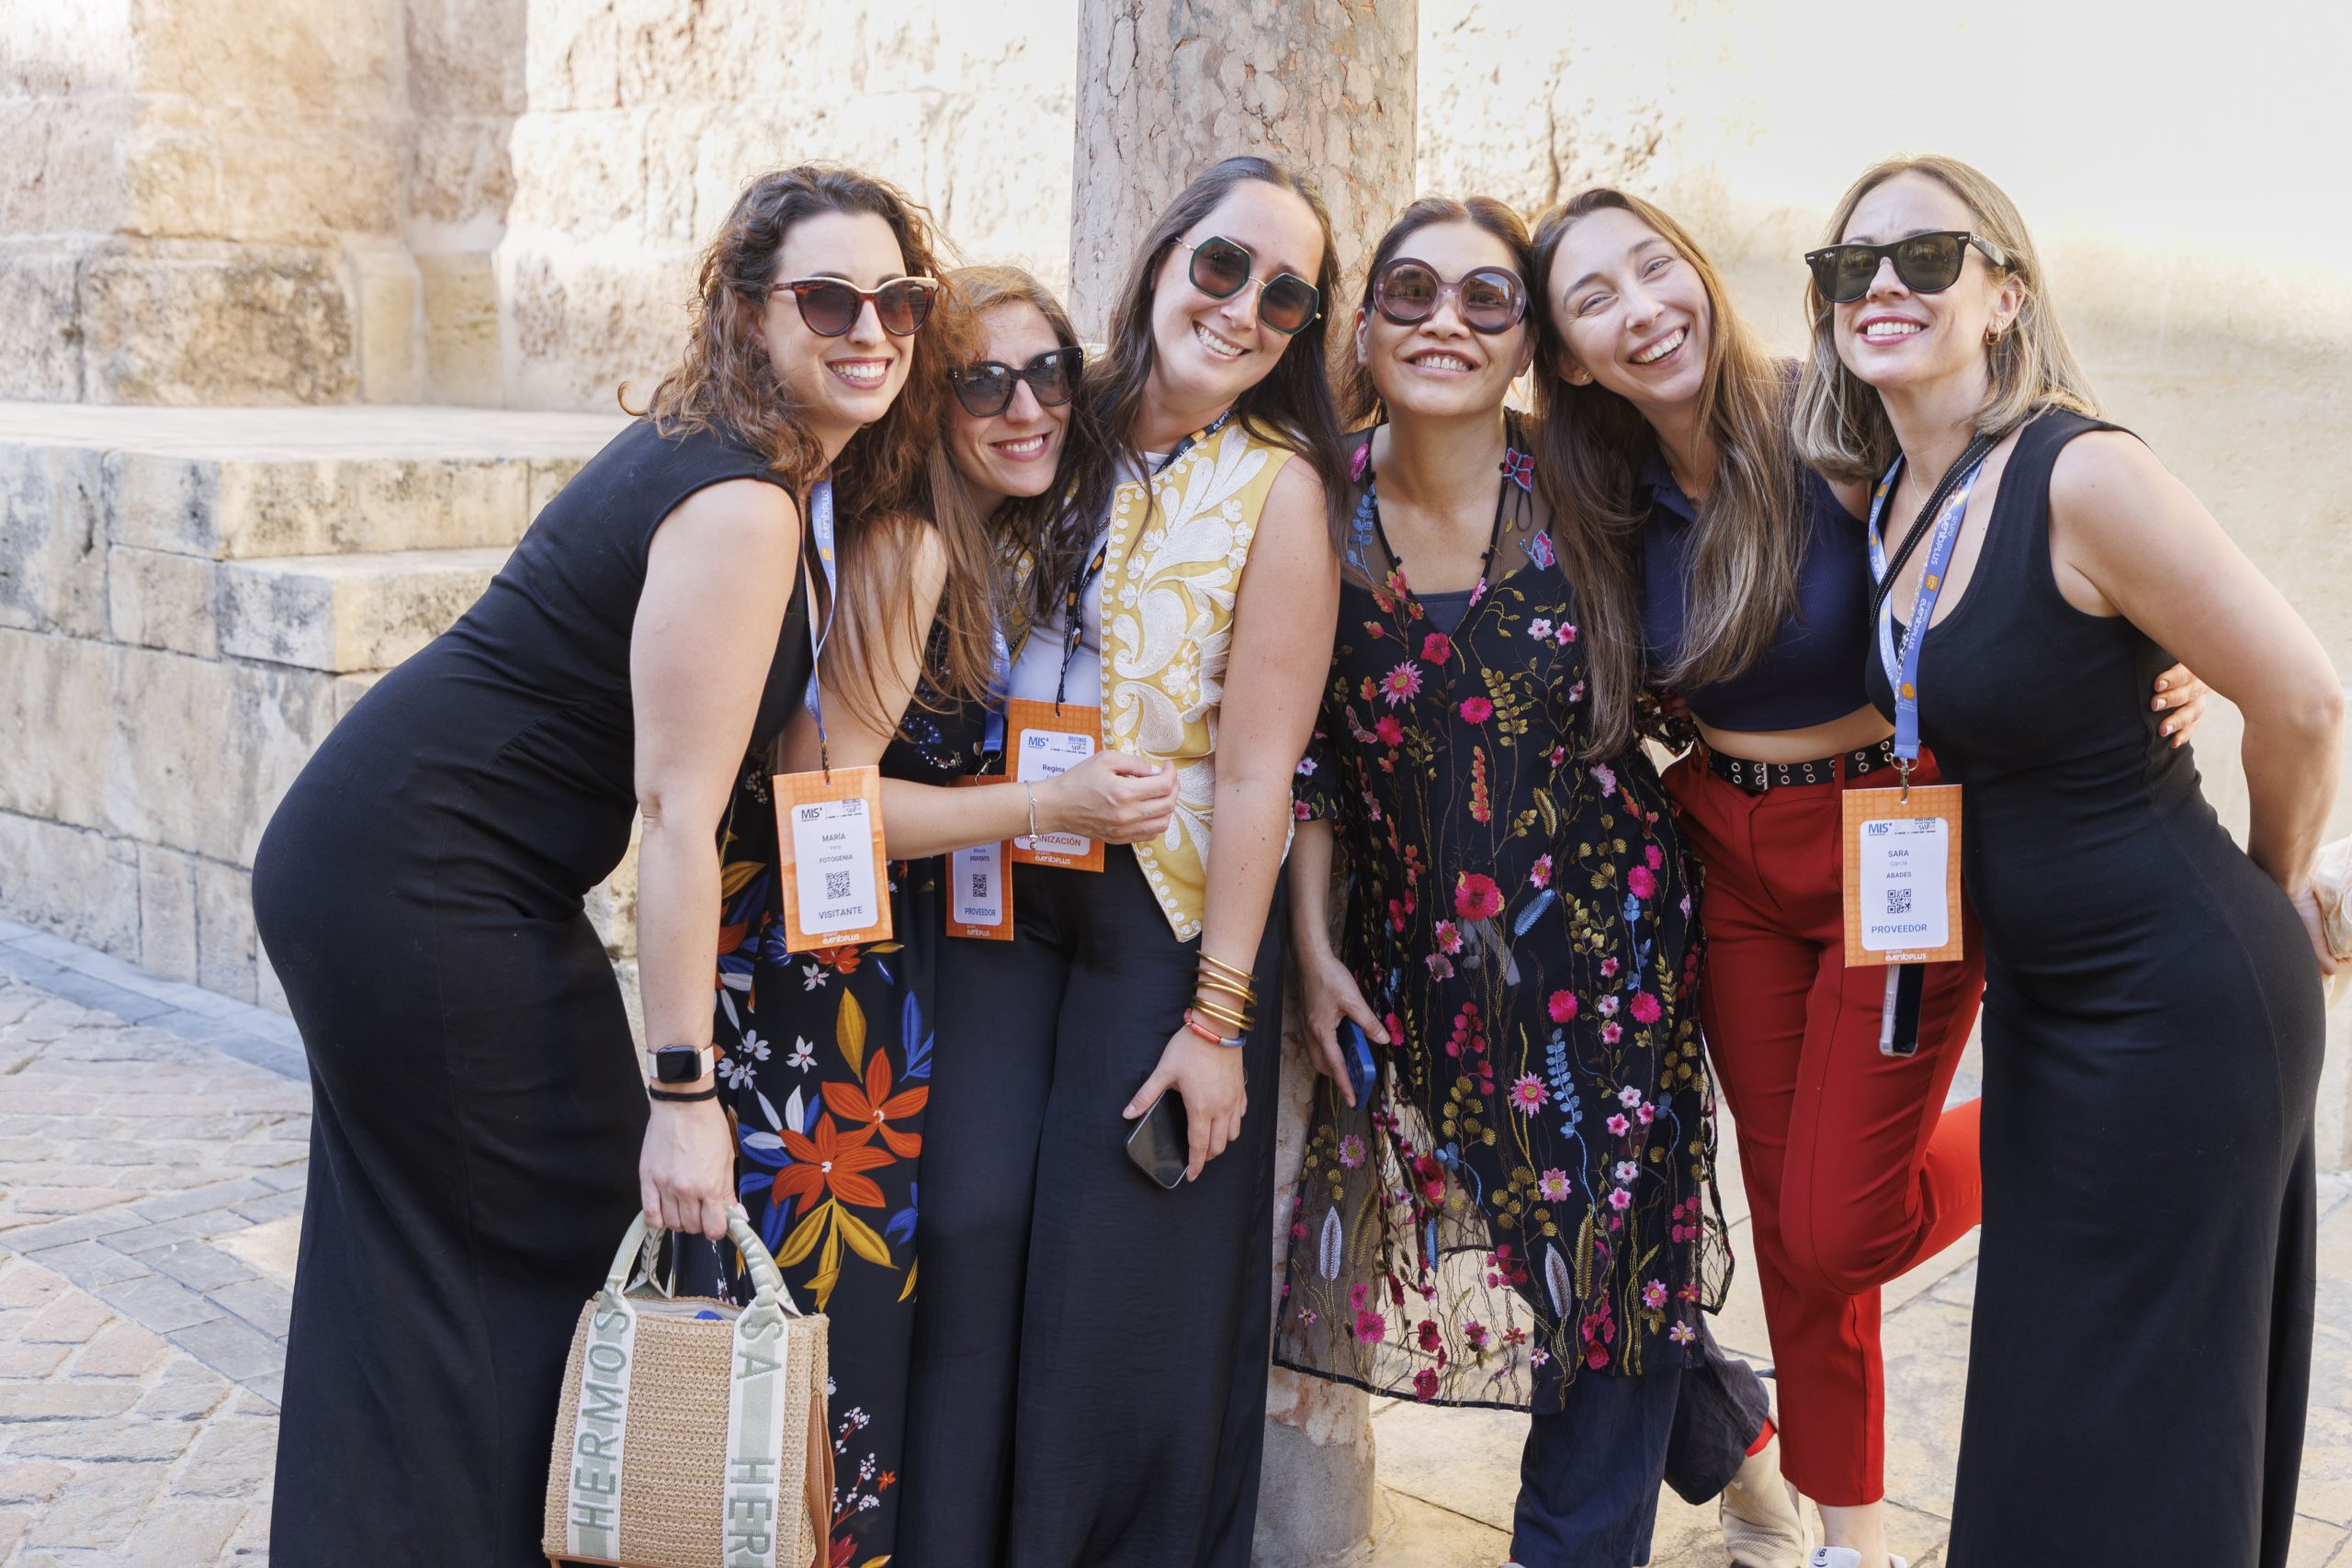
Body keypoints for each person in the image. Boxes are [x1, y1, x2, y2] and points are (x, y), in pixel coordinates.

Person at [251, 164, 956, 1565]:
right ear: (750, 313)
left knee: (412, 1264)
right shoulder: (743, 501)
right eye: (829, 300)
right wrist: (682, 1097)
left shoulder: (758, 470)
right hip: (424, 880)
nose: (872, 329)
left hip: (384, 856)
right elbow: (674, 815)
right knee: (575, 1238)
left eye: (901, 300)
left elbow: (777, 766)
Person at [1529, 186, 2209, 1568]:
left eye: (1655, 268)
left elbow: (2026, 510)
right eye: (1593, 299)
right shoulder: (1594, 490)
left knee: (1840, 1223)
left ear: (1700, 273)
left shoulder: (1831, 422)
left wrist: (2148, 652)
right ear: (1572, 358)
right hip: (1729, 853)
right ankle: (1854, 1537)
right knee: (1789, 1223)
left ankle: (2071, 1120)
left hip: (1889, 841)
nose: (1641, 310)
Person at [1800, 152, 2338, 1568]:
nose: (1883, 286)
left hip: (2179, 1006)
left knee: (2150, 1417)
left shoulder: (2080, 473)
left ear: (2006, 294)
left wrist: (2272, 891)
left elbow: (2302, 699)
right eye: (1852, 266)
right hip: (2047, 1009)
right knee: (2051, 1399)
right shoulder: (1893, 499)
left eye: (1927, 257)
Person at [1272, 195, 1774, 1568]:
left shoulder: (1590, 487)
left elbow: (1764, 591)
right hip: (1422, 958)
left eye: (1486, 298)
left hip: (1615, 948)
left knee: (1607, 1265)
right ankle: (1739, 1446)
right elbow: (1302, 755)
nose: (1447, 321)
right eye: (1412, 292)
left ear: (1526, 342)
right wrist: (1314, 949)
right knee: (1555, 1251)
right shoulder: (1311, 505)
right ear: (1363, 325)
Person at [899, 155, 1347, 1568]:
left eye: (1287, 295)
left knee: (1117, 1281)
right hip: (993, 887)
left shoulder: (1280, 491)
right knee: (966, 1228)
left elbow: (1262, 771)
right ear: (1162, 260)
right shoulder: (1045, 415)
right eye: (1223, 265)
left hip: (1166, 920)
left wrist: (1218, 1019)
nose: (1244, 309)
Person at [692, 265, 1175, 1565]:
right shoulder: (909, 545)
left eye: (1049, 372)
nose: (1027, 407)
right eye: (984, 381)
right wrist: (1049, 801)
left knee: (849, 1325)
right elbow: (823, 810)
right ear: (931, 401)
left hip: (866, 966)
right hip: (814, 988)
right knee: (823, 1322)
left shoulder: (975, 536)